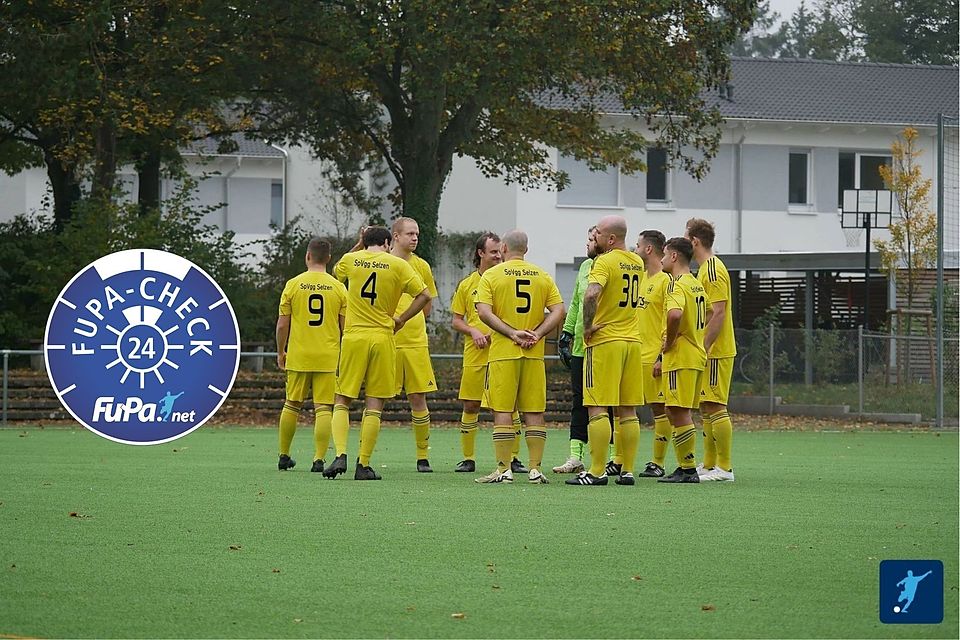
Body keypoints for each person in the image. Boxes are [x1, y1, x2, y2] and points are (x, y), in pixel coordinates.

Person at [323, 226, 431, 480]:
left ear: (364, 241)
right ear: (386, 242)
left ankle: (340, 454)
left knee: (342, 398)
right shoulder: (397, 264)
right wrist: (402, 318)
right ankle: (364, 464)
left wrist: (358, 244)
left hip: (354, 336)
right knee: (374, 402)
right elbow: (424, 295)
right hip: (383, 337)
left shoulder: (352, 260)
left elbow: (335, 272)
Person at [475, 230, 565, 484]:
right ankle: (535, 469)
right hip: (533, 354)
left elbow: (483, 312)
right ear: (526, 249)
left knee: (503, 410)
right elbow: (559, 310)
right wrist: (537, 334)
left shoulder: (492, 275)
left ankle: (504, 470)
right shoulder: (542, 275)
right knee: (534, 411)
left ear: (503, 247)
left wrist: (512, 333)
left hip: (504, 353)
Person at [566, 215, 644, 486]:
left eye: (597, 233)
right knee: (628, 411)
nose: (594, 237)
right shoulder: (637, 262)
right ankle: (628, 470)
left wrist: (587, 327)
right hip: (632, 342)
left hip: (606, 341)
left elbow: (591, 294)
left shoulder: (604, 261)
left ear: (610, 238)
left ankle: (597, 471)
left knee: (597, 408)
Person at [450, 232, 526, 473]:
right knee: (471, 405)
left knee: (508, 406)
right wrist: (473, 331)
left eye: (499, 251)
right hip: (476, 354)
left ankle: (513, 458)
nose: (497, 255)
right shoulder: (467, 284)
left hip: (504, 351)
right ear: (480, 253)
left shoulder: (506, 279)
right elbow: (456, 320)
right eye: (492, 251)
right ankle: (468, 458)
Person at [275, 238, 347, 472]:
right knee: (324, 408)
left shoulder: (293, 285)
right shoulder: (338, 287)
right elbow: (344, 327)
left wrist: (280, 351)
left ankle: (284, 455)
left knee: (292, 404)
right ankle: (318, 460)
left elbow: (282, 325)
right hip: (327, 355)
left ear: (307, 256)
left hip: (299, 353)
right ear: (328, 259)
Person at [686, 218, 737, 482]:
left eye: (687, 239)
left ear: (695, 241)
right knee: (706, 406)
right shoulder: (705, 270)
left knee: (716, 405)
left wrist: (704, 346)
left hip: (716, 350)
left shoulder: (714, 269)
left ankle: (725, 469)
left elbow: (719, 312)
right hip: (708, 349)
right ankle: (709, 465)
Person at [390, 217, 440, 473]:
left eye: (417, 234)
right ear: (395, 236)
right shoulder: (382, 263)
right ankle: (364, 457)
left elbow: (427, 305)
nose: (415, 238)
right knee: (375, 398)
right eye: (410, 233)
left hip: (415, 341)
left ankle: (423, 457)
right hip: (386, 340)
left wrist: (408, 319)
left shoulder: (421, 266)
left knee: (418, 397)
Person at [656, 237, 706, 484]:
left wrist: (669, 342)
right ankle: (685, 466)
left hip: (681, 356)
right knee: (673, 409)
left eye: (664, 254)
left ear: (674, 256)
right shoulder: (696, 285)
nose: (662, 259)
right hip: (695, 355)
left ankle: (687, 469)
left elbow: (675, 315)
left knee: (678, 410)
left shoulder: (677, 285)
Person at [553, 227, 599, 473]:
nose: (588, 244)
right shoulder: (584, 268)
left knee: (606, 403)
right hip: (581, 346)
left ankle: (611, 458)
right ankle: (575, 456)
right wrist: (567, 333)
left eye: (592, 239)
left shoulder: (611, 267)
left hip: (601, 346)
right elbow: (575, 303)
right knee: (578, 401)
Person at [634, 230, 673, 478]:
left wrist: (661, 356)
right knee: (622, 407)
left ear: (649, 249)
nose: (635, 248)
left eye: (638, 245)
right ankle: (618, 460)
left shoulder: (665, 281)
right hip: (633, 354)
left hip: (652, 356)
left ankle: (658, 463)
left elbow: (670, 321)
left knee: (659, 409)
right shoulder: (638, 278)